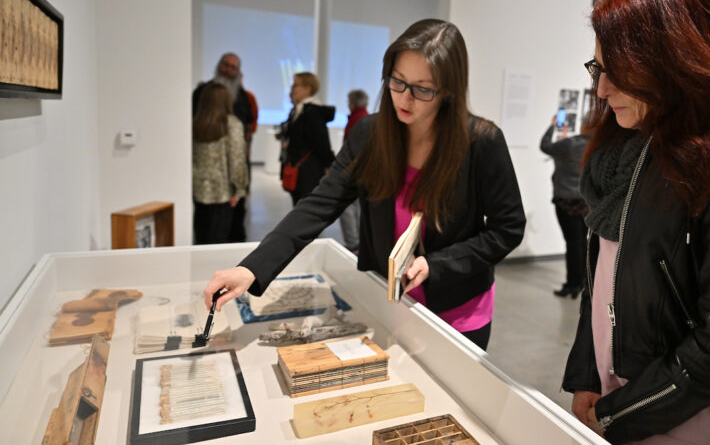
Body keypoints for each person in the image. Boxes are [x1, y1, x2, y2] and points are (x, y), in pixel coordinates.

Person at [561, 0, 710, 445]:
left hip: (694, 416)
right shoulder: (631, 147)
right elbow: (603, 275)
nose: (601, 90)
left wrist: (620, 414)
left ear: (677, 62)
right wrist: (588, 374)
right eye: (598, 68)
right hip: (618, 396)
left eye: (618, 73)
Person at [202, 19, 526, 350]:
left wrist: (438, 265)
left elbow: (508, 228)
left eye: (423, 89)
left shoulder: (481, 142)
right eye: (397, 82)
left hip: (457, 310)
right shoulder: (371, 135)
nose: (405, 98)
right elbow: (321, 203)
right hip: (388, 300)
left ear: (450, 90)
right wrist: (252, 269)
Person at [193, 52, 257, 242]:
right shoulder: (231, 123)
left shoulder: (196, 122)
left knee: (204, 234)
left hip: (200, 189)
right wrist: (239, 189)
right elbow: (237, 159)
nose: (228, 70)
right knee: (220, 236)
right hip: (223, 191)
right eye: (225, 65)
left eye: (233, 67)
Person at [539, 114, 589, 298]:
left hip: (565, 200)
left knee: (572, 244)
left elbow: (545, 146)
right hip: (585, 201)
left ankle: (572, 285)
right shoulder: (596, 146)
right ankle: (583, 283)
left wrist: (553, 126)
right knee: (583, 242)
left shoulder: (569, 144)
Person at [281, 72, 336, 205]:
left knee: (306, 207)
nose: (292, 89)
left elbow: (321, 141)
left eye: (296, 85)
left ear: (308, 88)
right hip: (301, 169)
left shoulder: (312, 112)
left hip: (309, 171)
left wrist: (328, 164)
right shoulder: (299, 110)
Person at [338, 89, 370, 252]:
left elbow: (353, 148)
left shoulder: (358, 121)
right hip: (364, 171)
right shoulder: (365, 118)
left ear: (352, 103)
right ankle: (358, 242)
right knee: (357, 206)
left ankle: (353, 243)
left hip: (355, 170)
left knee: (348, 206)